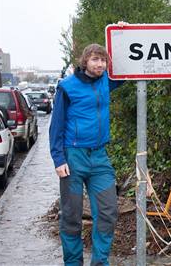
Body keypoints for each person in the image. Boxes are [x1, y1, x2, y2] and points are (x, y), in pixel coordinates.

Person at [49, 43, 122, 266]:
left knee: (108, 212)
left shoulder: (106, 81)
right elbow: (56, 126)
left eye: (103, 60)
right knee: (71, 216)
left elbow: (129, 69)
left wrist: (123, 34)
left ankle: (99, 262)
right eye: (95, 60)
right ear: (85, 61)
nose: (100, 64)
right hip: (73, 157)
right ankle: (73, 263)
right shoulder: (67, 87)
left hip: (99, 157)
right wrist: (58, 158)